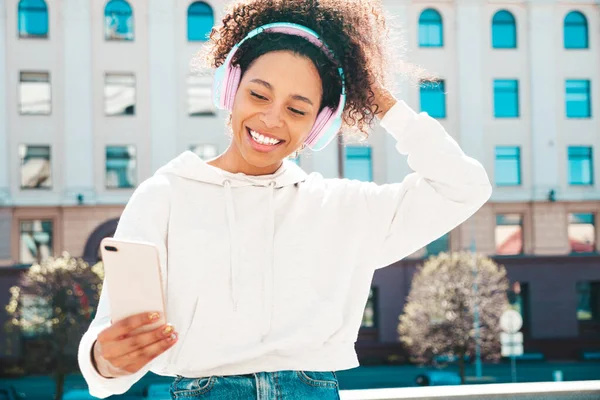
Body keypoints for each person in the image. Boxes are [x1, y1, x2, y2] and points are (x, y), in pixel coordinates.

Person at [78, 0, 492, 399]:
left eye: (298, 109)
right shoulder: (164, 196)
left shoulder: (342, 209)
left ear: (320, 124)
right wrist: (105, 360)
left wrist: (383, 104)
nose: (272, 119)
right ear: (230, 87)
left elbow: (463, 186)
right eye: (258, 95)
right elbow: (107, 350)